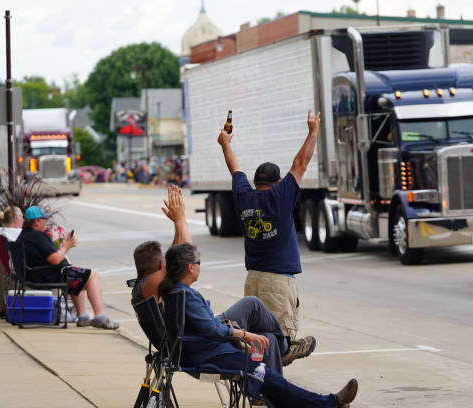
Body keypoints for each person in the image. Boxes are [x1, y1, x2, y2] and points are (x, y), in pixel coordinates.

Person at [158, 243, 358, 407]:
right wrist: (245, 335)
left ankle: (284, 351)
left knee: (267, 346)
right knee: (269, 377)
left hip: (207, 350)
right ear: (191, 268)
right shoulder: (185, 295)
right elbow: (212, 329)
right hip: (211, 355)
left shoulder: (177, 292)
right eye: (199, 262)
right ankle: (329, 403)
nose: (200, 266)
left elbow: (206, 325)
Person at [131, 186, 290, 374]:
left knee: (267, 337)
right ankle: (285, 348)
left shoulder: (144, 286)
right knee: (252, 304)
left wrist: (177, 222)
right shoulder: (150, 285)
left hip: (194, 334)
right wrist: (180, 219)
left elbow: (178, 255)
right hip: (201, 338)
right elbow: (185, 253)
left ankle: (264, 391)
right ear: (159, 266)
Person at [218, 109, 321, 365]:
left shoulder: (245, 196)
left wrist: (225, 144)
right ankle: (283, 356)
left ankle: (261, 382)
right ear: (277, 183)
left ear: (254, 182)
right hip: (277, 281)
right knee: (278, 338)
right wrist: (313, 132)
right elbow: (300, 165)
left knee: (259, 337)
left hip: (252, 279)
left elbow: (235, 169)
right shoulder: (280, 197)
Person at [18, 206, 119, 330]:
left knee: (79, 278)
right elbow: (55, 259)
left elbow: (46, 255)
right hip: (47, 275)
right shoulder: (38, 236)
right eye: (45, 219)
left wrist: (62, 246)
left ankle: (82, 317)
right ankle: (100, 316)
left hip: (36, 273)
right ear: (36, 221)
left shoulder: (24, 235)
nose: (47, 221)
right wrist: (66, 247)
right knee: (93, 275)